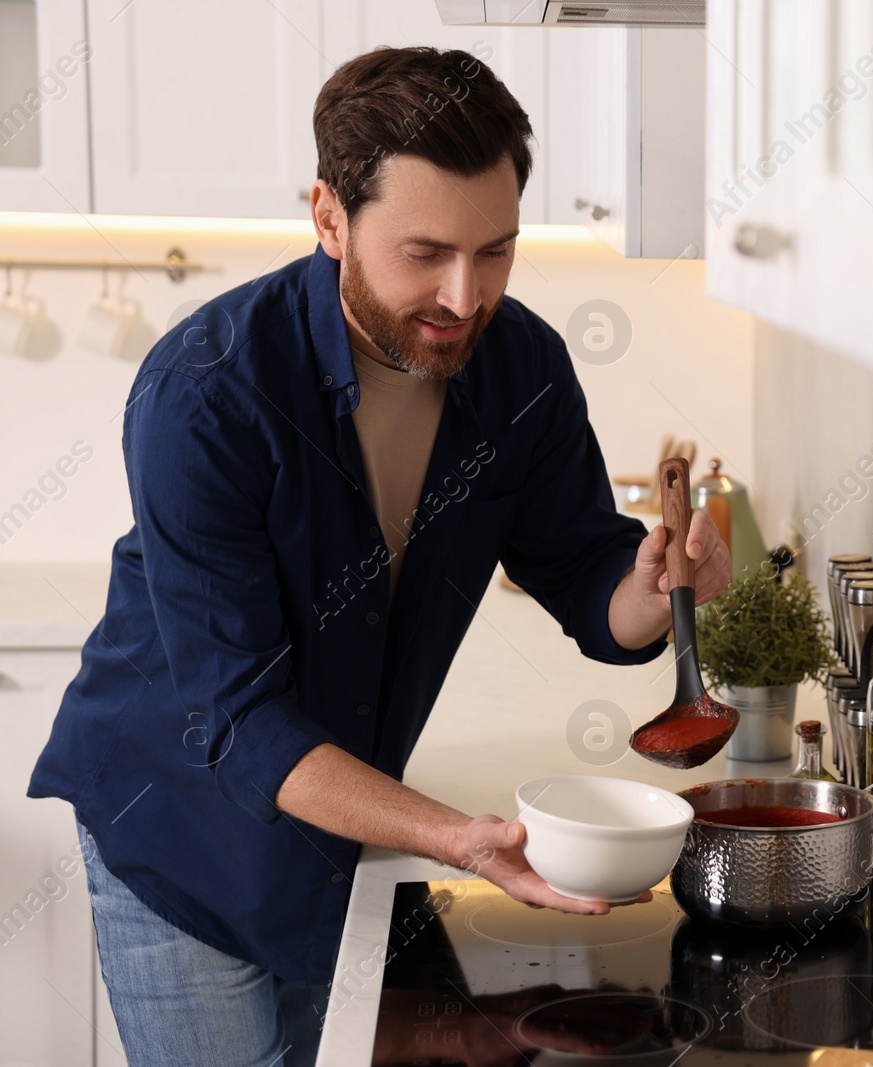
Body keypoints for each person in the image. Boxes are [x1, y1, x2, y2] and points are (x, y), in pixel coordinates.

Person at [26, 45, 730, 1067]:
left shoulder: (521, 363)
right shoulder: (209, 391)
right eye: (425, 252)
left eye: (495, 251)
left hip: (343, 810)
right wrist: (451, 837)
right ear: (326, 217)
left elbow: (585, 574)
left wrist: (653, 587)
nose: (463, 294)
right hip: (174, 822)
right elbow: (239, 718)